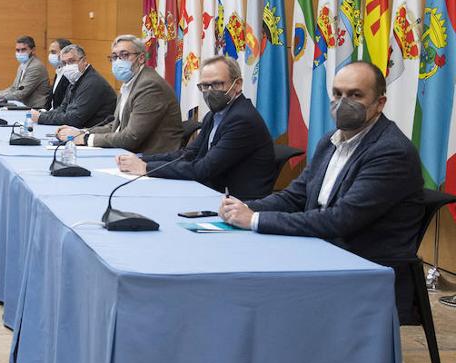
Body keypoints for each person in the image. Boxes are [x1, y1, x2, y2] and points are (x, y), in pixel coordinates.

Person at [220, 61, 424, 267]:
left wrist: (255, 219)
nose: (343, 103)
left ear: (380, 103)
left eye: (355, 95)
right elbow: (295, 197)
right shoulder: (330, 141)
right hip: (320, 248)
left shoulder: (391, 151)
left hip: (364, 265)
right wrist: (243, 207)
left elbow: (341, 219)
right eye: (337, 94)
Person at [116, 55, 276, 200]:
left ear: (238, 84)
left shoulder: (242, 119)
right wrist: (141, 158)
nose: (210, 91)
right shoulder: (215, 115)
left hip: (238, 202)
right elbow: (188, 154)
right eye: (205, 86)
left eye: (217, 84)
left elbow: (203, 169)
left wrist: (147, 168)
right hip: (213, 193)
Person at [55, 34, 183, 153]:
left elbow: (131, 138)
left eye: (125, 55)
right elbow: (117, 125)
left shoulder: (149, 85)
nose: (118, 61)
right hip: (130, 152)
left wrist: (85, 139)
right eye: (115, 57)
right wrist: (81, 132)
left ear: (141, 58)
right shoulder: (129, 83)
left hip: (152, 157)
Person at [30, 43, 117, 128]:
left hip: (94, 134)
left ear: (84, 61)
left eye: (71, 61)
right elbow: (63, 108)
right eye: (64, 63)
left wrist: (41, 118)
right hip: (79, 130)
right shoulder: (76, 79)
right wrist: (41, 114)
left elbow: (74, 119)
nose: (67, 66)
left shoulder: (93, 83)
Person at [0, 35, 51, 109]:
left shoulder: (35, 67)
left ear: (33, 50)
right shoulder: (23, 65)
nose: (20, 53)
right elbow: (13, 88)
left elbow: (20, 94)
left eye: (23, 49)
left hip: (37, 108)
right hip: (25, 106)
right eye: (17, 50)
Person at [46, 38, 74, 109]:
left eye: (53, 52)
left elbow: (64, 105)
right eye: (50, 52)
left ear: (65, 53)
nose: (50, 55)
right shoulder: (59, 70)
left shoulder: (70, 75)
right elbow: (52, 99)